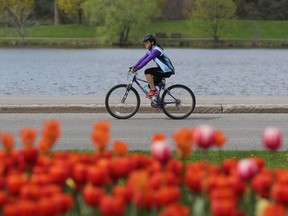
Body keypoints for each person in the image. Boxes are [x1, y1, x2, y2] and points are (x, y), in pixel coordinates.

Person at [130, 34, 175, 98]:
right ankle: (159, 104)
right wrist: (134, 66)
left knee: (147, 71)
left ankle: (153, 90)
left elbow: (147, 60)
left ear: (152, 42)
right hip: (162, 70)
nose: (145, 44)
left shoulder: (156, 50)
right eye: (144, 42)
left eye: (146, 42)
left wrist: (137, 68)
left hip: (167, 71)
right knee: (150, 85)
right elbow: (142, 59)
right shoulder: (150, 50)